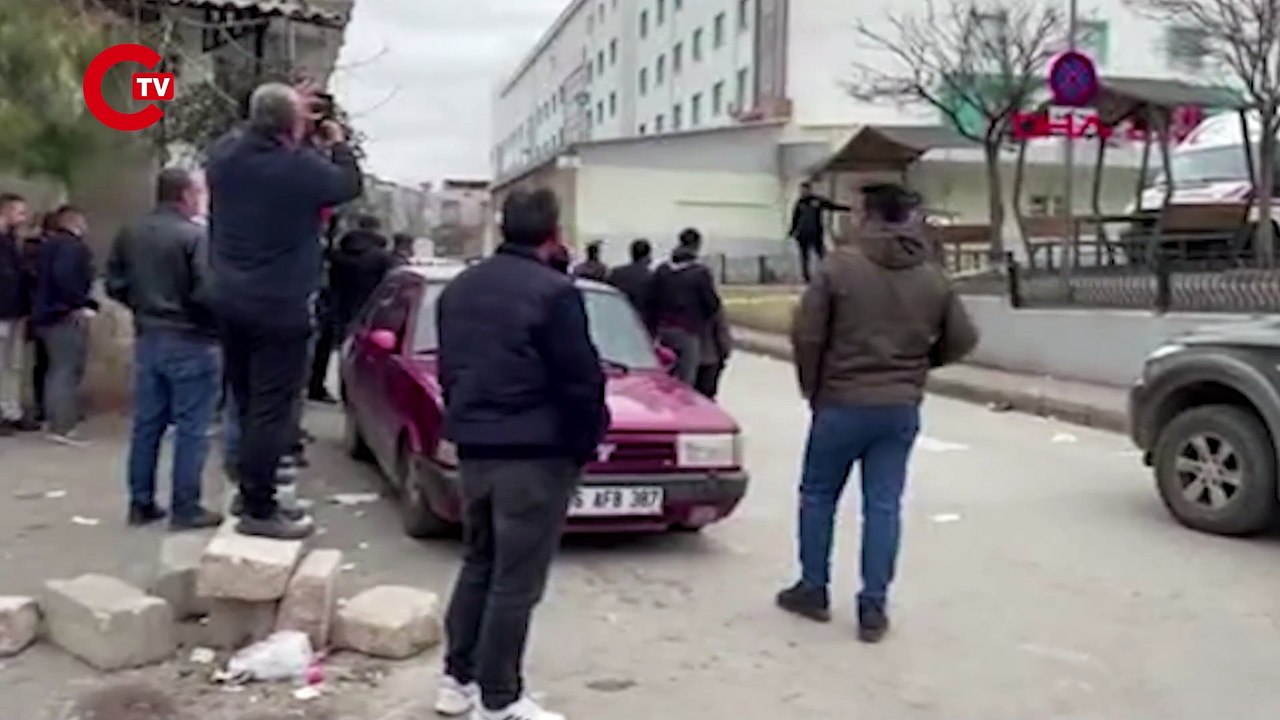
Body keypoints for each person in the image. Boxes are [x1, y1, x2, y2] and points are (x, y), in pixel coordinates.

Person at [776, 182, 978, 643]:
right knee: (883, 505)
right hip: (900, 406)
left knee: (818, 495)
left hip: (841, 401)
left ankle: (813, 588)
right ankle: (873, 606)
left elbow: (807, 335)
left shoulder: (839, 267)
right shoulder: (931, 274)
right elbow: (963, 338)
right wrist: (918, 367)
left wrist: (814, 389)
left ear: (866, 215)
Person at [434, 189, 609, 720]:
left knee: (479, 563)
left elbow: (449, 369)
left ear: (502, 227)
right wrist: (584, 443)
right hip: (534, 453)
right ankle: (499, 698)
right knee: (516, 579)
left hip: (475, 448)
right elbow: (580, 379)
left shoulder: (458, 290)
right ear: (553, 234)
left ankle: (456, 680)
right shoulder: (555, 293)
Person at [205, 81, 363, 540]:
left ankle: (247, 489)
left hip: (229, 301)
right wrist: (335, 142)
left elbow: (250, 128)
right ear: (292, 126)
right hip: (279, 305)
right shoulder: (299, 169)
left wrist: (283, 105)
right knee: (271, 411)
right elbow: (346, 184)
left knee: (246, 400)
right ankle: (260, 505)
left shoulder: (224, 158)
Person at [106, 168, 223, 530]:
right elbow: (207, 292)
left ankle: (140, 502)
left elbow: (114, 283)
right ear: (186, 194)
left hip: (148, 335)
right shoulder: (194, 236)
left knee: (147, 424)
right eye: (198, 192)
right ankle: (185, 507)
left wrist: (141, 306)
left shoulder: (131, 232)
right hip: (190, 337)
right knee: (192, 427)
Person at [31, 205, 98, 446]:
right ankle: (63, 425)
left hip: (47, 314)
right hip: (63, 314)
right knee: (66, 369)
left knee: (56, 369)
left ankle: (55, 420)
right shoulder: (72, 247)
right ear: (75, 221)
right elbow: (66, 276)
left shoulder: (48, 245)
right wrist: (79, 303)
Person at [648, 228, 720, 385]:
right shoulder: (700, 273)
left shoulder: (662, 270)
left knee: (663, 374)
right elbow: (712, 304)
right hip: (688, 330)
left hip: (663, 330)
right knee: (686, 379)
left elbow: (651, 300)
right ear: (696, 246)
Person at [328, 214, 394, 338]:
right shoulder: (382, 258)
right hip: (370, 313)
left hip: (339, 311)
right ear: (377, 229)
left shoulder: (338, 255)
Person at [0, 193, 32, 435]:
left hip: (14, 309)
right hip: (3, 309)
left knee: (13, 364)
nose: (22, 218)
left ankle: (11, 410)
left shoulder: (12, 241)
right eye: (19, 212)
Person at [790, 181, 851, 283]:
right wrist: (792, 231)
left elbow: (832, 206)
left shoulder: (817, 200)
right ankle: (806, 277)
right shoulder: (799, 203)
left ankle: (827, 274)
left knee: (821, 254)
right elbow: (795, 218)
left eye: (805, 190)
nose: (803, 192)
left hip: (815, 232)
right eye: (802, 190)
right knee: (804, 256)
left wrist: (848, 209)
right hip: (803, 233)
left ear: (809, 190)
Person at [605, 238, 653, 327]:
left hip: (618, 319)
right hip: (640, 323)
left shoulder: (616, 272)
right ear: (648, 256)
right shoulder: (650, 277)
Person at [694, 310, 732, 399]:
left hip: (687, 359)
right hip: (710, 358)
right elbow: (722, 335)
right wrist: (725, 354)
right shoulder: (713, 307)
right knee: (706, 396)